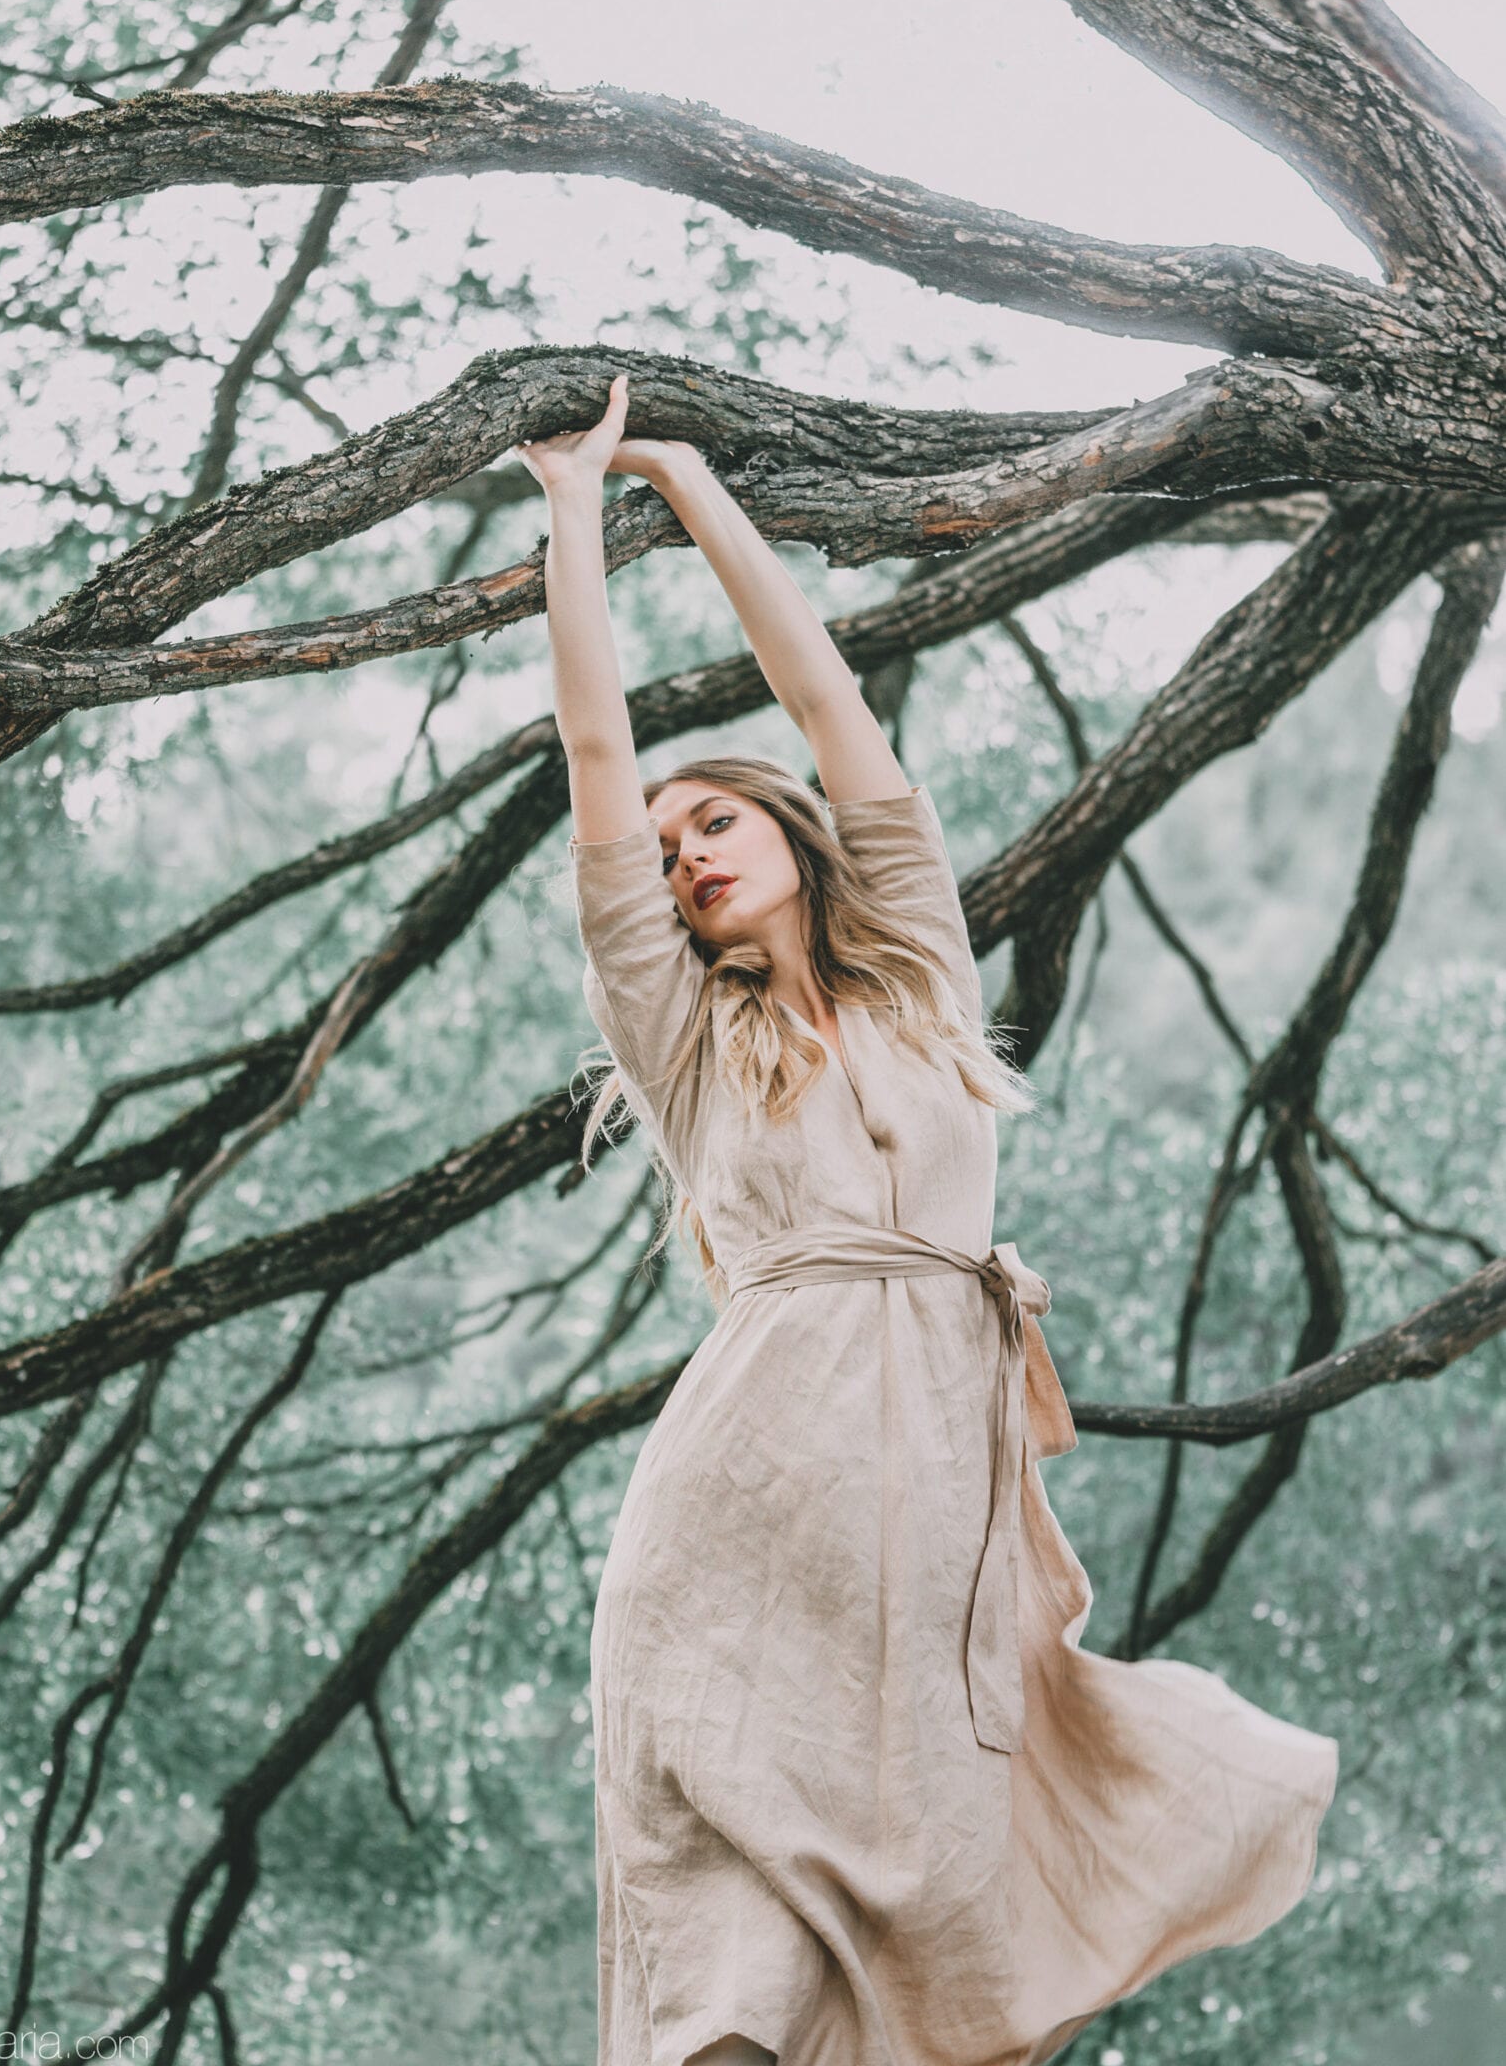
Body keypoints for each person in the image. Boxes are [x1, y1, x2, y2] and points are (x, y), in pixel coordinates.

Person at [515, 374, 1339, 2066]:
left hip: (925, 1561)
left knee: (944, 1959)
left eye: (715, 822)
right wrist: (576, 508)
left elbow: (827, 697)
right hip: (735, 1556)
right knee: (730, 2005)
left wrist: (690, 475)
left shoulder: (923, 984)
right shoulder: (684, 1046)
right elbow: (597, 756)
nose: (684, 858)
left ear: (796, 839)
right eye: (666, 857)